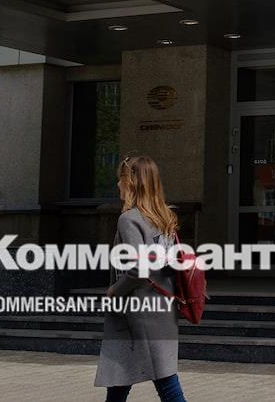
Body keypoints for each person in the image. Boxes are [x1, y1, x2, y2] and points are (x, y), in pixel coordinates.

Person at [95, 155, 188, 402]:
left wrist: (115, 289)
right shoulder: (165, 217)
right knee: (120, 376)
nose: (118, 184)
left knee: (167, 384)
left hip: (137, 312)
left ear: (133, 182)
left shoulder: (129, 219)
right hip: (162, 309)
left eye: (121, 179)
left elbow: (140, 267)